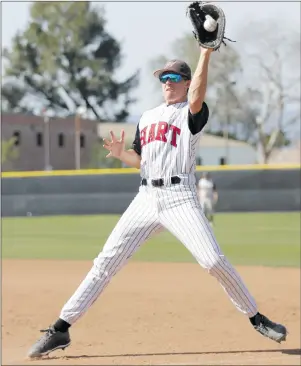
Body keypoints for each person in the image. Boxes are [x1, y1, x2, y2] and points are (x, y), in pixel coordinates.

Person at [27, 48, 287, 358]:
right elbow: (141, 160)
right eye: (163, 77)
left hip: (180, 198)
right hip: (146, 198)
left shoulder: (191, 112)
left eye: (174, 77)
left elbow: (198, 92)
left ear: (187, 83)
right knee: (105, 263)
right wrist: (123, 154)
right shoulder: (148, 116)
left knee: (213, 261)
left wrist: (205, 52)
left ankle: (256, 318)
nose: (167, 81)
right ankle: (60, 329)